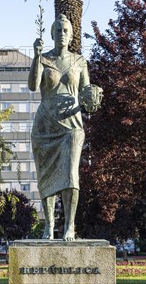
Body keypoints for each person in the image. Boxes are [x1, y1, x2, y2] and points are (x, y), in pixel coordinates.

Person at [29, 14, 100, 241]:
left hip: (72, 124)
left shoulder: (80, 61)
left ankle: (70, 226)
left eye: (65, 31)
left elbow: (87, 92)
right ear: (51, 34)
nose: (61, 34)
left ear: (71, 35)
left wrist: (92, 98)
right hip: (45, 125)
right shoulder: (43, 59)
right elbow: (32, 86)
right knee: (46, 177)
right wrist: (36, 57)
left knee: (70, 174)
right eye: (58, 30)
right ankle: (49, 226)